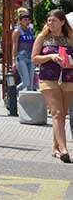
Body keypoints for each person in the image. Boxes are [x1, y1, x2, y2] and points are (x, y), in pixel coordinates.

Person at [32, 9, 73, 163]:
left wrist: (68, 60)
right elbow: (34, 58)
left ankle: (55, 147)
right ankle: (64, 149)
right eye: (48, 20)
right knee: (56, 112)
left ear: (62, 22)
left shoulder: (70, 37)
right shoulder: (43, 37)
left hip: (68, 78)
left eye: (54, 20)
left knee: (62, 114)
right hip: (48, 78)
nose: (50, 23)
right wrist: (50, 56)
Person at [12, 9, 35, 92]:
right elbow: (14, 46)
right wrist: (14, 61)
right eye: (25, 20)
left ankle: (30, 103)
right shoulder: (17, 31)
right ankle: (12, 94)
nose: (27, 21)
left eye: (28, 19)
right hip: (21, 58)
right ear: (20, 21)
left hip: (31, 58)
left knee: (31, 84)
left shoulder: (31, 30)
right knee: (26, 82)